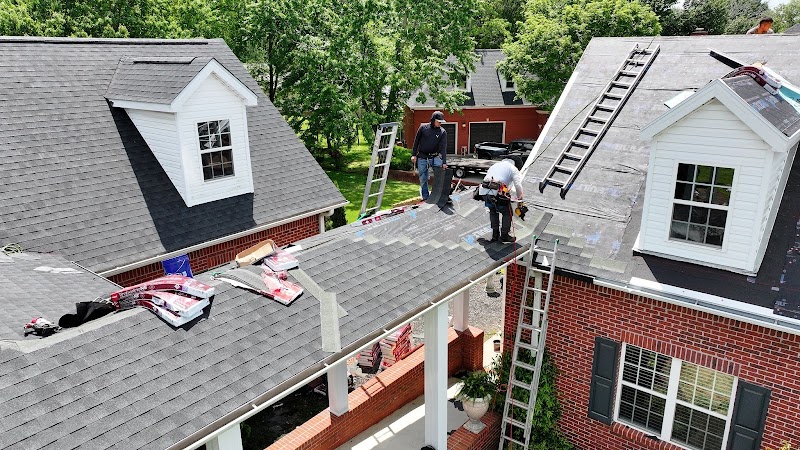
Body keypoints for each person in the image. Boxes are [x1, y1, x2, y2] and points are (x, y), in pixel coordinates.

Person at [479, 159, 523, 243]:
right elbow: (518, 186)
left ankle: (495, 235)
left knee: (493, 211)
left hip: (485, 192)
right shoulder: (513, 168)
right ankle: (504, 235)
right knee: (507, 213)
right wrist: (520, 199)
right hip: (498, 193)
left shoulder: (495, 165)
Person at [411, 111, 448, 201]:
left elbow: (443, 147)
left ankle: (438, 195)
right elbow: (416, 142)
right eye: (438, 121)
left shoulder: (442, 132)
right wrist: (413, 155)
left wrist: (444, 162)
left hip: (435, 157)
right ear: (433, 120)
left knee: (440, 176)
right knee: (423, 178)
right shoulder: (423, 128)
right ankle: (425, 197)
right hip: (422, 157)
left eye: (441, 122)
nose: (440, 123)